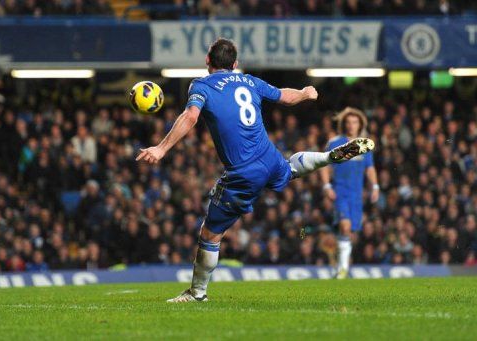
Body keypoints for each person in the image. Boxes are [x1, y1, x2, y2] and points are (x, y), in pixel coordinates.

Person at [137, 38, 374, 302]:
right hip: (269, 158)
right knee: (289, 168)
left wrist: (161, 148)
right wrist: (306, 93)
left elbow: (191, 117)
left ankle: (198, 293)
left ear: (207, 61)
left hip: (242, 172)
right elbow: (286, 96)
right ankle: (328, 156)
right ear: (235, 64)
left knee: (210, 233)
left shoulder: (201, 85)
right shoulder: (249, 81)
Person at [320, 107, 379, 279]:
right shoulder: (335, 143)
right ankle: (343, 269)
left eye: (354, 122)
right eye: (348, 122)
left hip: (357, 195)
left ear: (360, 124)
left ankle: (339, 264)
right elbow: (324, 165)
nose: (351, 125)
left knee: (349, 232)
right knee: (345, 227)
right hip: (341, 192)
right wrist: (326, 186)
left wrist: (375, 186)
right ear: (344, 124)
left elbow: (370, 169)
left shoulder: (364, 145)